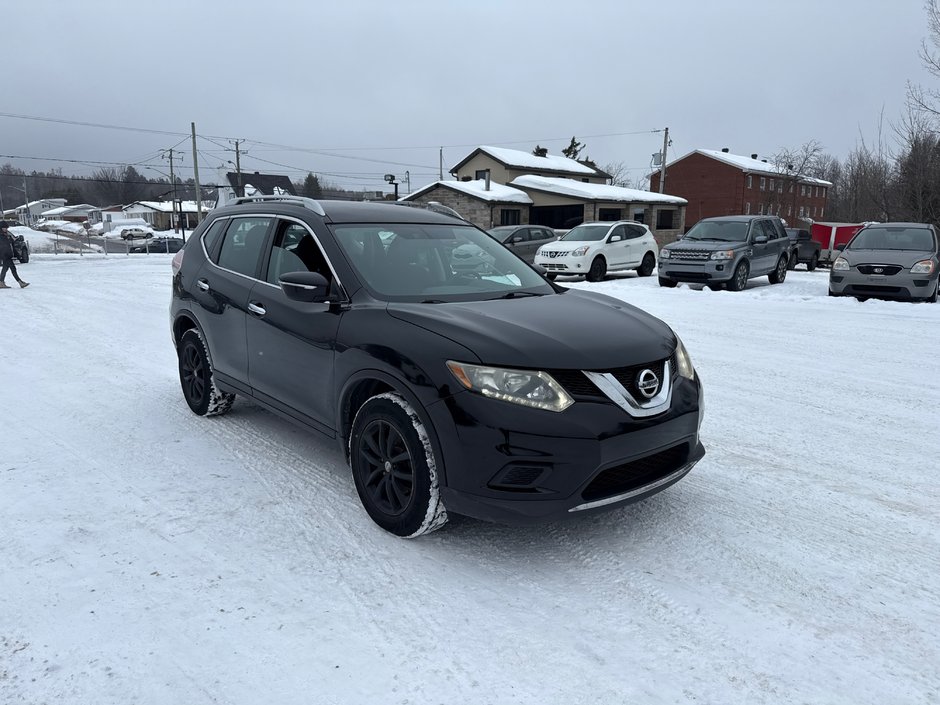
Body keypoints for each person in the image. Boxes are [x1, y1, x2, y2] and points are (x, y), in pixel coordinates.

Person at [0, 221, 29, 288]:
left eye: (6, 228)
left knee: (5, 268)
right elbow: (3, 247)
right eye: (4, 228)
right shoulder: (1, 236)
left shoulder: (7, 235)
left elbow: (12, 246)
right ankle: (20, 282)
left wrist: (17, 255)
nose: (6, 229)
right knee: (13, 269)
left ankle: (1, 282)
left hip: (8, 255)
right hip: (5, 255)